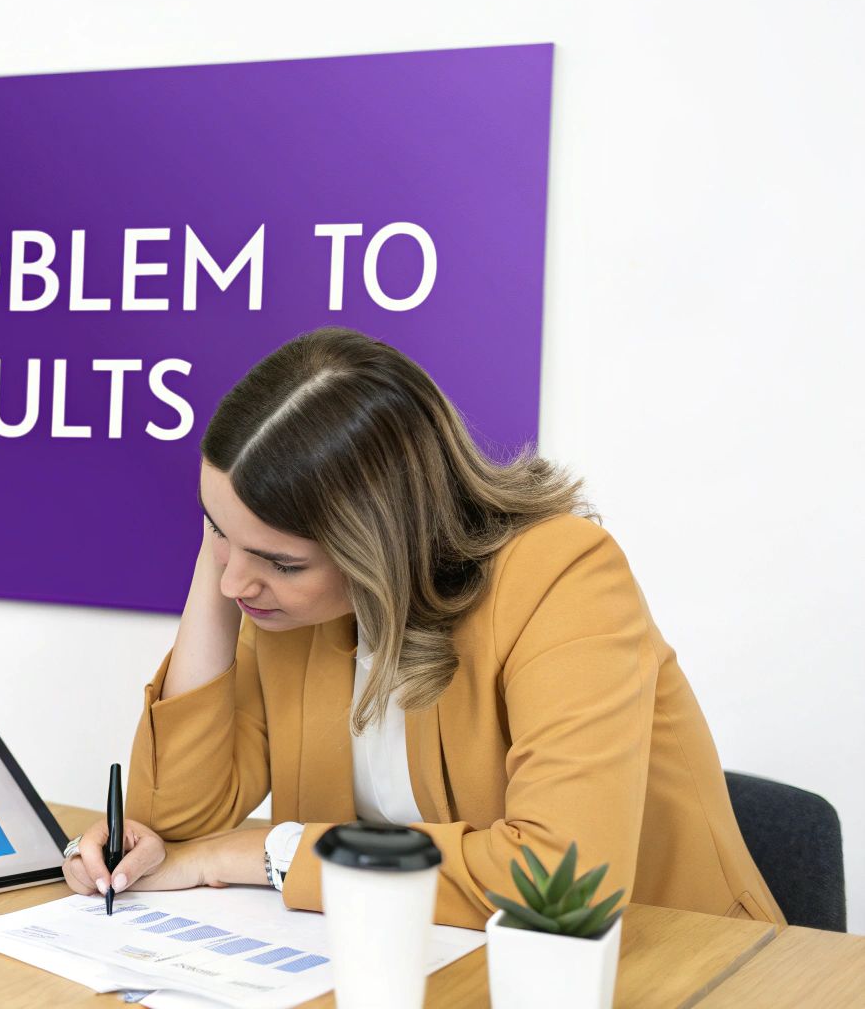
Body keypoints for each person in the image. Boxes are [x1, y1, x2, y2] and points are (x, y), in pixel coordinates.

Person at [62, 328, 785, 929]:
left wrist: (264, 853)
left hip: (664, 968)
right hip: (423, 960)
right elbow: (175, 825)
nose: (235, 583)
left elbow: (559, 885)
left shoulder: (565, 577)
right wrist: (230, 544)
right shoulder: (289, 603)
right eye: (215, 531)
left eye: (281, 559)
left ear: (382, 540)